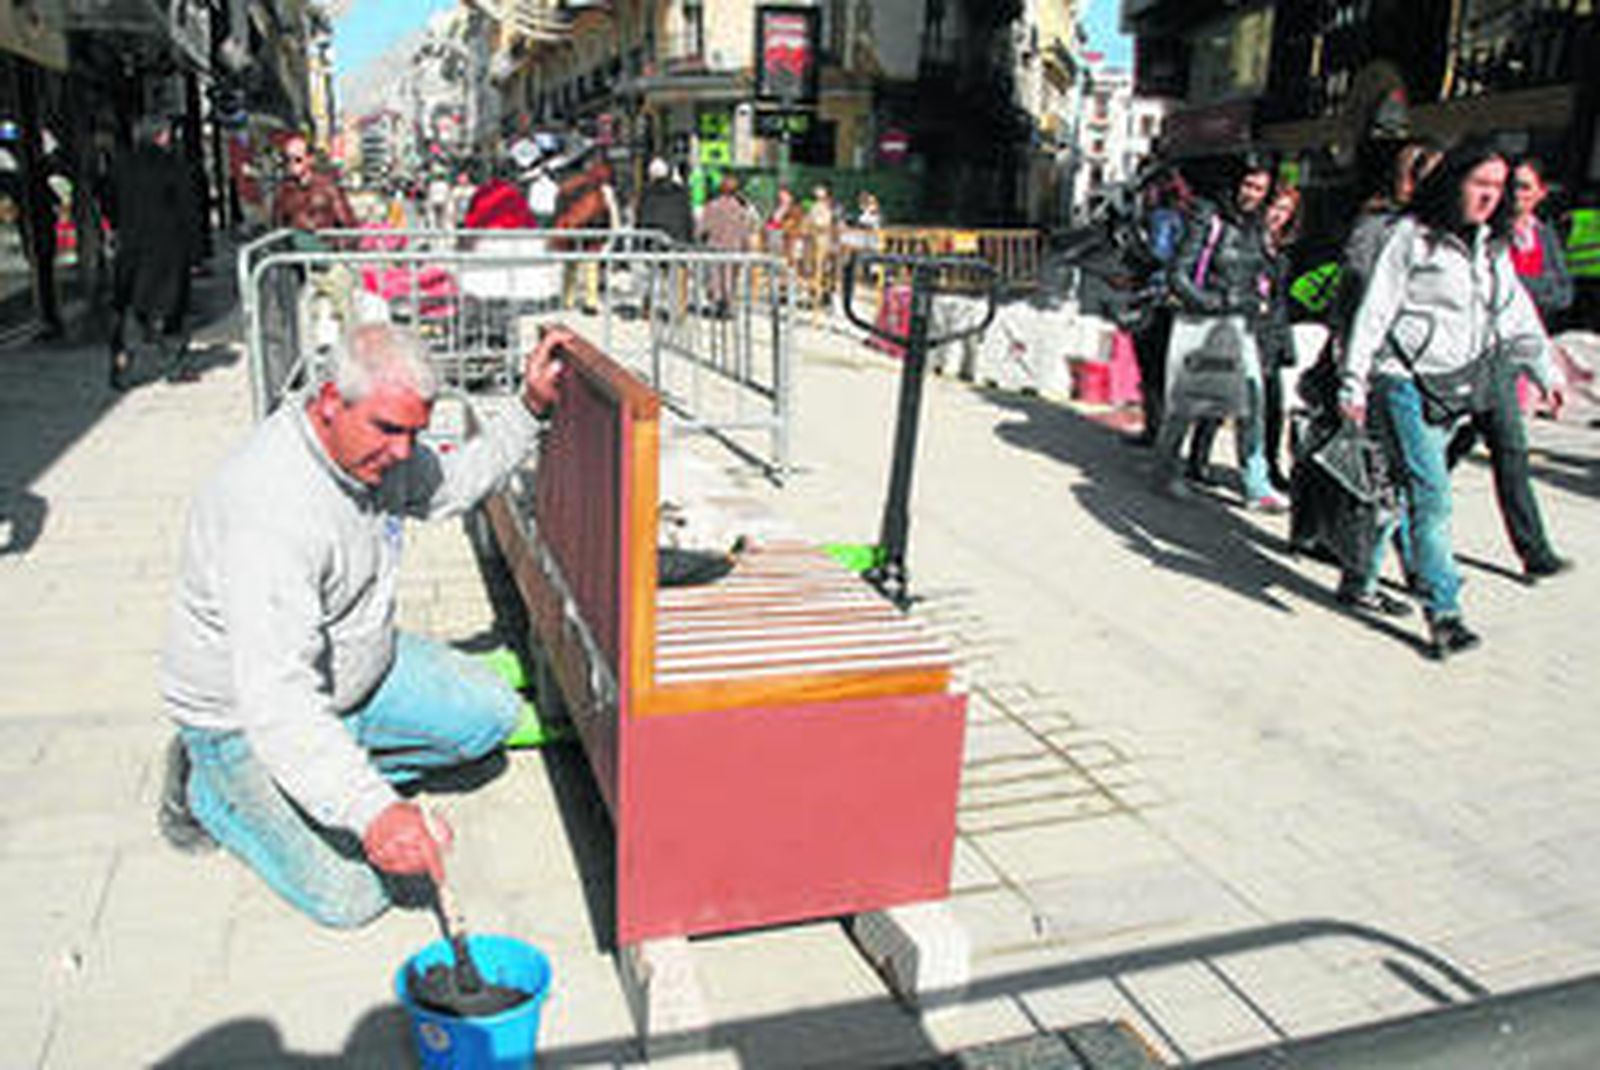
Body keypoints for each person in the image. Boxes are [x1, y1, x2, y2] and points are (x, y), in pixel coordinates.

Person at [157, 322, 572, 928]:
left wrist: (530, 408)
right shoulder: (270, 514)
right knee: (353, 896)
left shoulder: (377, 448)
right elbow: (279, 699)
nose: (404, 452)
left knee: (491, 718)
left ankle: (320, 772)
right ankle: (209, 790)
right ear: (329, 401)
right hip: (247, 714)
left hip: (354, 670)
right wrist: (375, 811)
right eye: (388, 429)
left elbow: (450, 487)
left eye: (415, 432)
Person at [1341, 137, 1565, 659]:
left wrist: (1546, 371)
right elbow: (1374, 311)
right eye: (1480, 184)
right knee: (1432, 496)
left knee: (1400, 492)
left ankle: (1358, 575)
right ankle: (1444, 612)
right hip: (1403, 380)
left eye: (1498, 187)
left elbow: (1514, 314)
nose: (1490, 196)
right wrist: (1354, 381)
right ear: (1455, 181)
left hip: (1457, 383)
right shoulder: (1412, 237)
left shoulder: (1492, 245)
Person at [1439, 154, 1573, 581]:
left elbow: (1558, 292)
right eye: (1510, 187)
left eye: (1524, 188)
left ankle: (1535, 551)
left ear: (1540, 194)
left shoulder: (1545, 236)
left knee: (1511, 453)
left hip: (1504, 362)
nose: (1516, 195)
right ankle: (1398, 516)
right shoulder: (1483, 236)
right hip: (1462, 359)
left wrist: (1545, 372)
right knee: (1444, 453)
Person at [1155, 157, 1284, 511]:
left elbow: (1261, 274)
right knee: (1187, 405)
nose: (1253, 195)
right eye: (1248, 186)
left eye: (1260, 189)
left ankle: (1255, 484)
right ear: (1234, 183)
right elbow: (1178, 274)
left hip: (1242, 325)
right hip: (1203, 320)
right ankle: (1166, 469)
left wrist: (1258, 299)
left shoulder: (1257, 226)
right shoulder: (1206, 217)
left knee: (1252, 403)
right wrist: (1217, 301)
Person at [106, 116, 201, 390]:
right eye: (168, 134)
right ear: (161, 136)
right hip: (168, 249)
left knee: (133, 308)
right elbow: (188, 210)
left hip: (132, 247)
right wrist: (195, 255)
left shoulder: (121, 165)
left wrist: (118, 225)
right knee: (172, 310)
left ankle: (122, 363)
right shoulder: (173, 165)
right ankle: (175, 366)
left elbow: (108, 199)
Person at [1128, 168, 1192, 447]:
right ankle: (1163, 432)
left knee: (1151, 368)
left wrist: (1131, 253)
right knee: (1167, 369)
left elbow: (1157, 254)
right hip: (1176, 300)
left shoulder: (1162, 217)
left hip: (1154, 297)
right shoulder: (1188, 216)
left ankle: (1154, 430)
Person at [271, 132, 357, 237]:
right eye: (287, 159)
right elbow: (277, 226)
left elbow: (348, 223)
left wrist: (336, 248)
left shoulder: (328, 186)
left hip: (324, 247)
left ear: (309, 158)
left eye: (298, 159)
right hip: (295, 250)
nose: (292, 164)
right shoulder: (283, 190)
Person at [698, 174, 758, 315]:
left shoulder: (712, 206)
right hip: (734, 247)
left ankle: (716, 302)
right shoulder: (741, 210)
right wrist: (746, 248)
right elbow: (746, 231)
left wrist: (701, 238)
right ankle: (728, 304)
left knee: (715, 275)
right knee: (730, 277)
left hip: (715, 246)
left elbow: (702, 228)